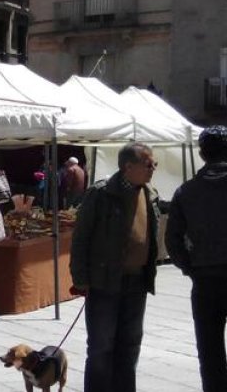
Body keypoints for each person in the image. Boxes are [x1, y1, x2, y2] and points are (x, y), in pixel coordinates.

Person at [70, 142, 160, 392]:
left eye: (154, 164)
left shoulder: (149, 193)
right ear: (128, 167)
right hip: (104, 281)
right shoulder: (101, 193)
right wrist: (81, 278)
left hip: (137, 282)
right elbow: (81, 238)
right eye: (148, 164)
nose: (153, 168)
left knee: (130, 345)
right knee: (101, 346)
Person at [166, 126, 227, 392]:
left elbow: (172, 241)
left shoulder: (186, 191)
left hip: (205, 281)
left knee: (210, 355)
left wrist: (191, 268)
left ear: (201, 154)